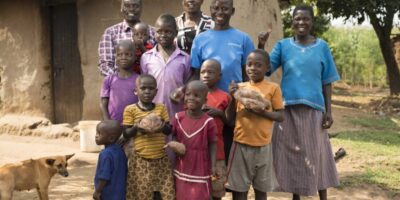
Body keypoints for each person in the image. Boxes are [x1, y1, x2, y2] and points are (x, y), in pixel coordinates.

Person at [259, 5, 340, 200]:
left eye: (305, 19)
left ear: (312, 22)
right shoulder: (283, 46)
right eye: (297, 19)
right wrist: (261, 45)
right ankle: (296, 196)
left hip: (314, 110)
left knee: (317, 153)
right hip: (287, 109)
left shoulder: (322, 47)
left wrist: (329, 111)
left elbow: (327, 81)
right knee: (292, 155)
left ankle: (323, 196)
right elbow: (265, 68)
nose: (301, 22)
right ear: (292, 22)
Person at [190, 0, 255, 163]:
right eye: (216, 8)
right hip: (207, 104)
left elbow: (247, 74)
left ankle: (227, 185)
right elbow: (196, 73)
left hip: (234, 103)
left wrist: (246, 99)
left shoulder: (243, 38)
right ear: (210, 10)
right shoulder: (200, 39)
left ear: (232, 11)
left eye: (225, 9)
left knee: (230, 147)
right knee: (206, 147)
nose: (220, 12)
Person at [225, 50, 284, 200]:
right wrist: (233, 98)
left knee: (261, 189)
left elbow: (280, 116)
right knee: (239, 190)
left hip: (264, 146)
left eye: (258, 65)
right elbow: (229, 119)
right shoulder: (239, 88)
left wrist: (261, 112)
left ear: (267, 67)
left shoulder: (273, 88)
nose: (252, 68)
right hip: (240, 145)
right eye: (249, 64)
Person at [122, 74, 175, 200]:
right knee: (142, 194)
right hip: (140, 160)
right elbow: (126, 133)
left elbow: (168, 130)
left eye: (151, 89)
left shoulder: (161, 108)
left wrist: (160, 126)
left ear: (156, 91)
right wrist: (138, 127)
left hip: (161, 159)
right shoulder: (130, 110)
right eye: (143, 88)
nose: (147, 91)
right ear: (136, 91)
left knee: (164, 193)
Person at [171, 80, 217, 200]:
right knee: (182, 194)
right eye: (188, 94)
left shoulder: (209, 121)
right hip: (182, 164)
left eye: (196, 96)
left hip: (200, 165)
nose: (191, 98)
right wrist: (176, 147)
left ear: (205, 101)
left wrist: (213, 165)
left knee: (200, 194)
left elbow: (213, 143)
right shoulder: (178, 117)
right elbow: (174, 136)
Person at [141, 14, 192, 119]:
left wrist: (182, 90)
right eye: (159, 32)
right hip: (152, 114)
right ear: (154, 33)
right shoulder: (146, 57)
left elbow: (188, 83)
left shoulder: (185, 58)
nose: (163, 35)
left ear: (176, 33)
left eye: (168, 32)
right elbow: (142, 84)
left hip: (177, 113)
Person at [199, 59, 230, 200]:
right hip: (197, 151)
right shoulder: (194, 95)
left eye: (210, 72)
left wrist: (219, 114)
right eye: (203, 72)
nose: (206, 75)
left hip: (217, 151)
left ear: (219, 76)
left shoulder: (225, 97)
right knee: (198, 188)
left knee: (216, 188)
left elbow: (230, 123)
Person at [98, 0, 155, 76]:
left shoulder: (153, 32)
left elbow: (158, 63)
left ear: (141, 8)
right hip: (119, 85)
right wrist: (121, 81)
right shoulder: (110, 33)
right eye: (127, 6)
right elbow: (105, 66)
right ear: (121, 8)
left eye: (135, 6)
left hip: (148, 85)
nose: (131, 9)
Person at [100, 40, 139, 124]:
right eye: (119, 55)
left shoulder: (139, 80)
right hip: (113, 124)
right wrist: (107, 121)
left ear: (135, 57)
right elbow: (103, 103)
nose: (123, 57)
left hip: (134, 125)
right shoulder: (109, 79)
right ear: (116, 57)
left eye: (128, 54)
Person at [93, 120, 127, 200]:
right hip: (120, 193)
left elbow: (104, 176)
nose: (96, 136)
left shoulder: (106, 154)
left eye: (99, 133)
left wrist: (98, 191)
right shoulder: (120, 151)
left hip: (107, 193)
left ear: (111, 138)